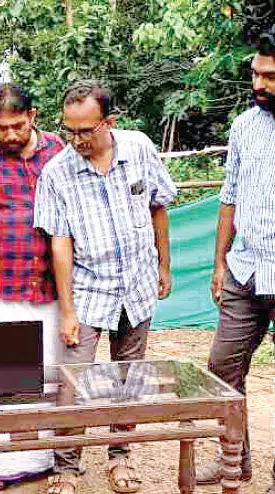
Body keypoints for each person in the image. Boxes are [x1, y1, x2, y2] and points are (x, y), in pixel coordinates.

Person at [33, 80, 177, 494]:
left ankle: (120, 455)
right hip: (88, 289)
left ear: (109, 122)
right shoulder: (57, 172)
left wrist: (164, 266)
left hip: (137, 283)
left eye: (85, 131)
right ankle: (66, 465)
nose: (76, 140)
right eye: (69, 131)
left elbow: (158, 207)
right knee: (73, 379)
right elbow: (60, 244)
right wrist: (68, 310)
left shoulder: (139, 149)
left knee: (128, 376)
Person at [0, 83, 65, 490]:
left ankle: (41, 457)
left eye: (17, 126)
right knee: (4, 377)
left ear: (33, 116)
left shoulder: (57, 151)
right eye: (0, 127)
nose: (9, 135)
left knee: (48, 374)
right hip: (2, 282)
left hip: (51, 284)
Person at [196, 28, 275, 489]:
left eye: (270, 76)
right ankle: (234, 460)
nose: (258, 84)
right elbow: (229, 197)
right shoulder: (245, 125)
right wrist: (219, 263)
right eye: (256, 74)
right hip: (245, 270)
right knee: (223, 368)